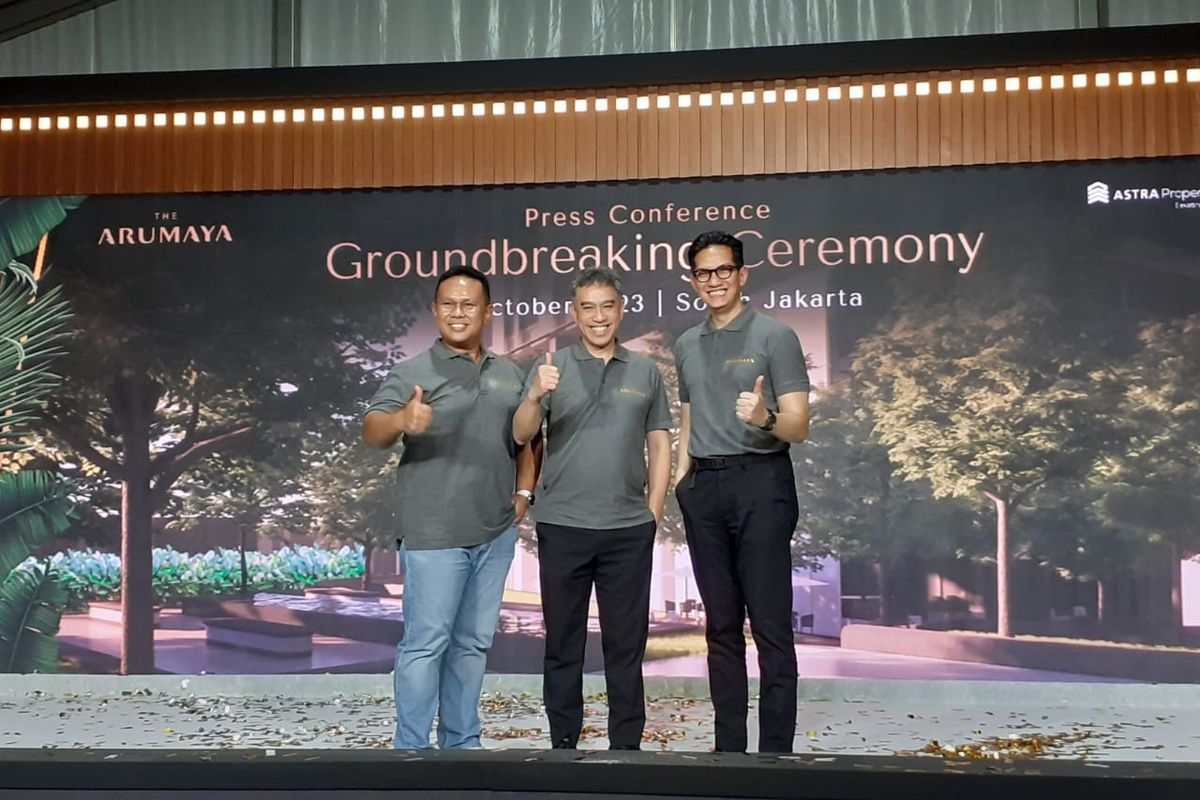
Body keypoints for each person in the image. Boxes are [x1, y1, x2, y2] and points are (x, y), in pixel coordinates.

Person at [363, 265, 539, 750]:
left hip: (495, 532)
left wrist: (524, 494)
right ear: (436, 311)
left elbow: (528, 440)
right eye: (448, 304)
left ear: (487, 312)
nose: (458, 312)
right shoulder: (412, 373)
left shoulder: (510, 373)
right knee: (426, 645)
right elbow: (374, 430)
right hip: (434, 534)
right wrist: (403, 418)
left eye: (469, 304)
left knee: (473, 646)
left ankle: (463, 746)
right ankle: (412, 751)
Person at [512, 267, 672, 750]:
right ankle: (564, 744)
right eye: (588, 307)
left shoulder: (645, 370)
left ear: (620, 311)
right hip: (563, 527)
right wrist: (537, 393)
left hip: (628, 530)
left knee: (626, 649)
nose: (598, 316)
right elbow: (522, 434)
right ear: (574, 312)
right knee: (563, 646)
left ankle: (627, 748)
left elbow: (660, 443)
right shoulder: (549, 366)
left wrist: (653, 512)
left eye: (607, 306)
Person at [672, 230, 811, 754]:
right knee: (720, 626)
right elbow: (688, 421)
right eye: (704, 273)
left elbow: (799, 426)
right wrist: (682, 480)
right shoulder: (686, 344)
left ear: (742, 274)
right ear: (693, 280)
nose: (714, 281)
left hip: (762, 482)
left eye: (723, 271)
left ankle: (776, 753)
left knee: (771, 625)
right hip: (705, 488)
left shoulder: (776, 336)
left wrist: (765, 416)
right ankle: (729, 750)